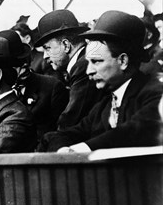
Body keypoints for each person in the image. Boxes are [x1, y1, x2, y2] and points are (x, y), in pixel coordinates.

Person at [40, 11, 163, 152]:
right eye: (88, 62)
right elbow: (62, 135)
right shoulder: (105, 105)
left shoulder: (156, 93)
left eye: (96, 62)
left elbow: (133, 130)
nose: (89, 71)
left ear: (123, 61)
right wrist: (62, 150)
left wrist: (81, 149)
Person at [0, 29, 69, 145]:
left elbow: (62, 133)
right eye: (13, 64)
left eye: (22, 60)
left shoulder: (51, 87)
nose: (23, 66)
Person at [34, 9, 102, 128]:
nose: (44, 56)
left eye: (47, 48)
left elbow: (70, 121)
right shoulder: (82, 62)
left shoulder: (83, 67)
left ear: (66, 45)